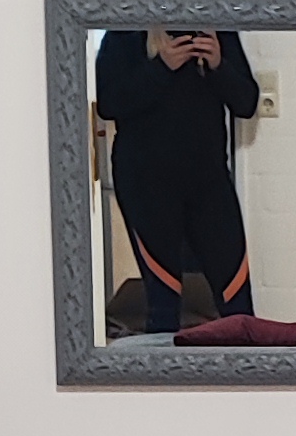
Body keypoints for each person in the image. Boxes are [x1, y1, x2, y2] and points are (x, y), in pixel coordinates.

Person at [94, 25, 262, 331]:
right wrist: (161, 67)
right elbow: (109, 103)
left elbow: (247, 103)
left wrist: (218, 65)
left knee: (237, 300)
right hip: (146, 185)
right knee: (163, 303)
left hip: (209, 182)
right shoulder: (124, 32)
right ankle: (164, 361)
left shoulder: (217, 31)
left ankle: (242, 361)